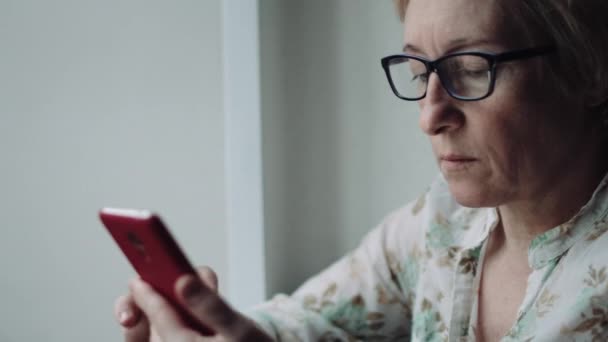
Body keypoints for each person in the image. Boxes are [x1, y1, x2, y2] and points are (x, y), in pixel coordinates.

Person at [113, 0, 608, 340]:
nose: (429, 116)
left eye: (474, 69)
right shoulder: (441, 223)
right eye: (419, 73)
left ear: (590, 71)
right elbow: (306, 322)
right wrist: (208, 324)